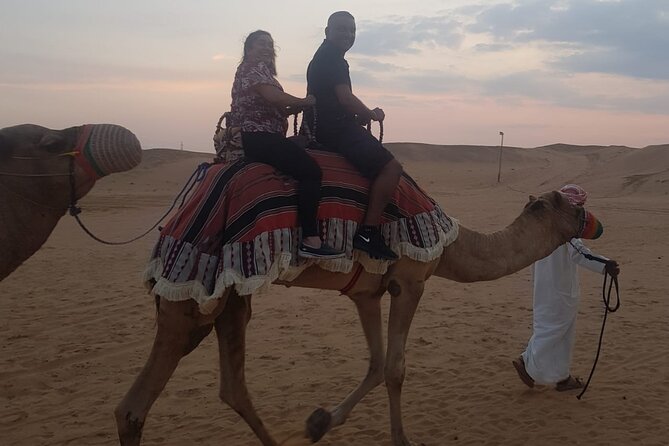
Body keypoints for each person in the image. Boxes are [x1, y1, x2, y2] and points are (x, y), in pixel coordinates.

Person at [230, 30, 344, 259]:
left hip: (268, 136)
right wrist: (304, 101)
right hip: (259, 137)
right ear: (249, 49)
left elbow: (279, 106)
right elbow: (275, 98)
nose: (266, 47)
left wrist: (298, 107)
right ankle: (311, 239)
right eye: (260, 43)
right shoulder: (251, 69)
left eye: (269, 44)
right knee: (311, 172)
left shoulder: (264, 74)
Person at [306, 11, 403, 260]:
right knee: (391, 168)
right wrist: (371, 114)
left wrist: (358, 116)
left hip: (326, 126)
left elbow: (333, 101)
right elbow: (345, 99)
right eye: (341, 29)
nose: (348, 35)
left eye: (352, 30)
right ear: (327, 31)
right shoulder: (334, 59)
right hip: (335, 131)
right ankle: (368, 232)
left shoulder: (323, 56)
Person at [512, 184, 621, 391]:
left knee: (553, 330)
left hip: (545, 288)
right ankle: (527, 363)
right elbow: (581, 254)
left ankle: (561, 377)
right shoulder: (566, 232)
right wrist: (606, 265)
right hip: (559, 292)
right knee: (552, 331)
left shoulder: (542, 229)